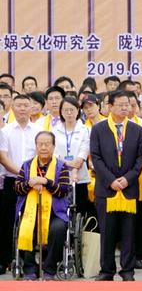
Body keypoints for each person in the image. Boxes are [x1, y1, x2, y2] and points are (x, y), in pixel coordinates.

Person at [90, 90, 142, 281]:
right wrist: (110, 180)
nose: (125, 108)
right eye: (121, 104)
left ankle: (127, 271)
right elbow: (96, 158)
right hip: (106, 189)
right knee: (107, 232)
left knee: (129, 233)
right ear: (110, 106)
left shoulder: (136, 129)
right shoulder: (98, 129)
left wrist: (128, 178)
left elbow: (141, 158)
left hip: (129, 188)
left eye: (128, 105)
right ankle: (106, 270)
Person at [14, 131, 71, 280]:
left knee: (58, 229)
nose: (43, 147)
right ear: (36, 146)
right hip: (30, 211)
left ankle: (49, 269)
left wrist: (46, 182)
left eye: (47, 144)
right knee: (27, 227)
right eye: (40, 144)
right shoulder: (26, 166)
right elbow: (17, 189)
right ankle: (30, 269)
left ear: (53, 147)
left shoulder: (62, 166)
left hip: (55, 212)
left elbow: (64, 190)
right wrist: (29, 183)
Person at [0, 94, 43, 274]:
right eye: (19, 105)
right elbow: (3, 157)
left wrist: (33, 176)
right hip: (12, 180)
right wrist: (22, 173)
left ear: (32, 107)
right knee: (6, 222)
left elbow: (43, 156)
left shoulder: (39, 130)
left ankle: (29, 261)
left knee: (30, 221)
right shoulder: (5, 131)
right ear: (13, 108)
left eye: (26, 105)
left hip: (34, 182)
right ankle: (4, 260)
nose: (23, 108)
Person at [53, 97, 93, 219]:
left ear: (78, 111)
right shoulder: (55, 130)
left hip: (80, 176)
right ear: (61, 112)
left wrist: (76, 165)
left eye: (72, 109)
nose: (69, 113)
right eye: (65, 110)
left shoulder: (85, 129)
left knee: (80, 210)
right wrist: (67, 163)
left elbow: (84, 150)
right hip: (60, 175)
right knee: (62, 210)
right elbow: (54, 152)